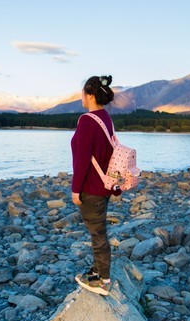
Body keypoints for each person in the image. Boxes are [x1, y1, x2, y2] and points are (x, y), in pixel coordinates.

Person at [71, 75, 120, 296]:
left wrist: (75, 189)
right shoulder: (105, 118)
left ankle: (103, 280)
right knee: (98, 229)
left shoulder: (87, 120)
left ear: (90, 95)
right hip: (104, 185)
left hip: (91, 187)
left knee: (97, 232)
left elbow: (82, 159)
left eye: (83, 93)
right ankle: (98, 269)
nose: (81, 97)